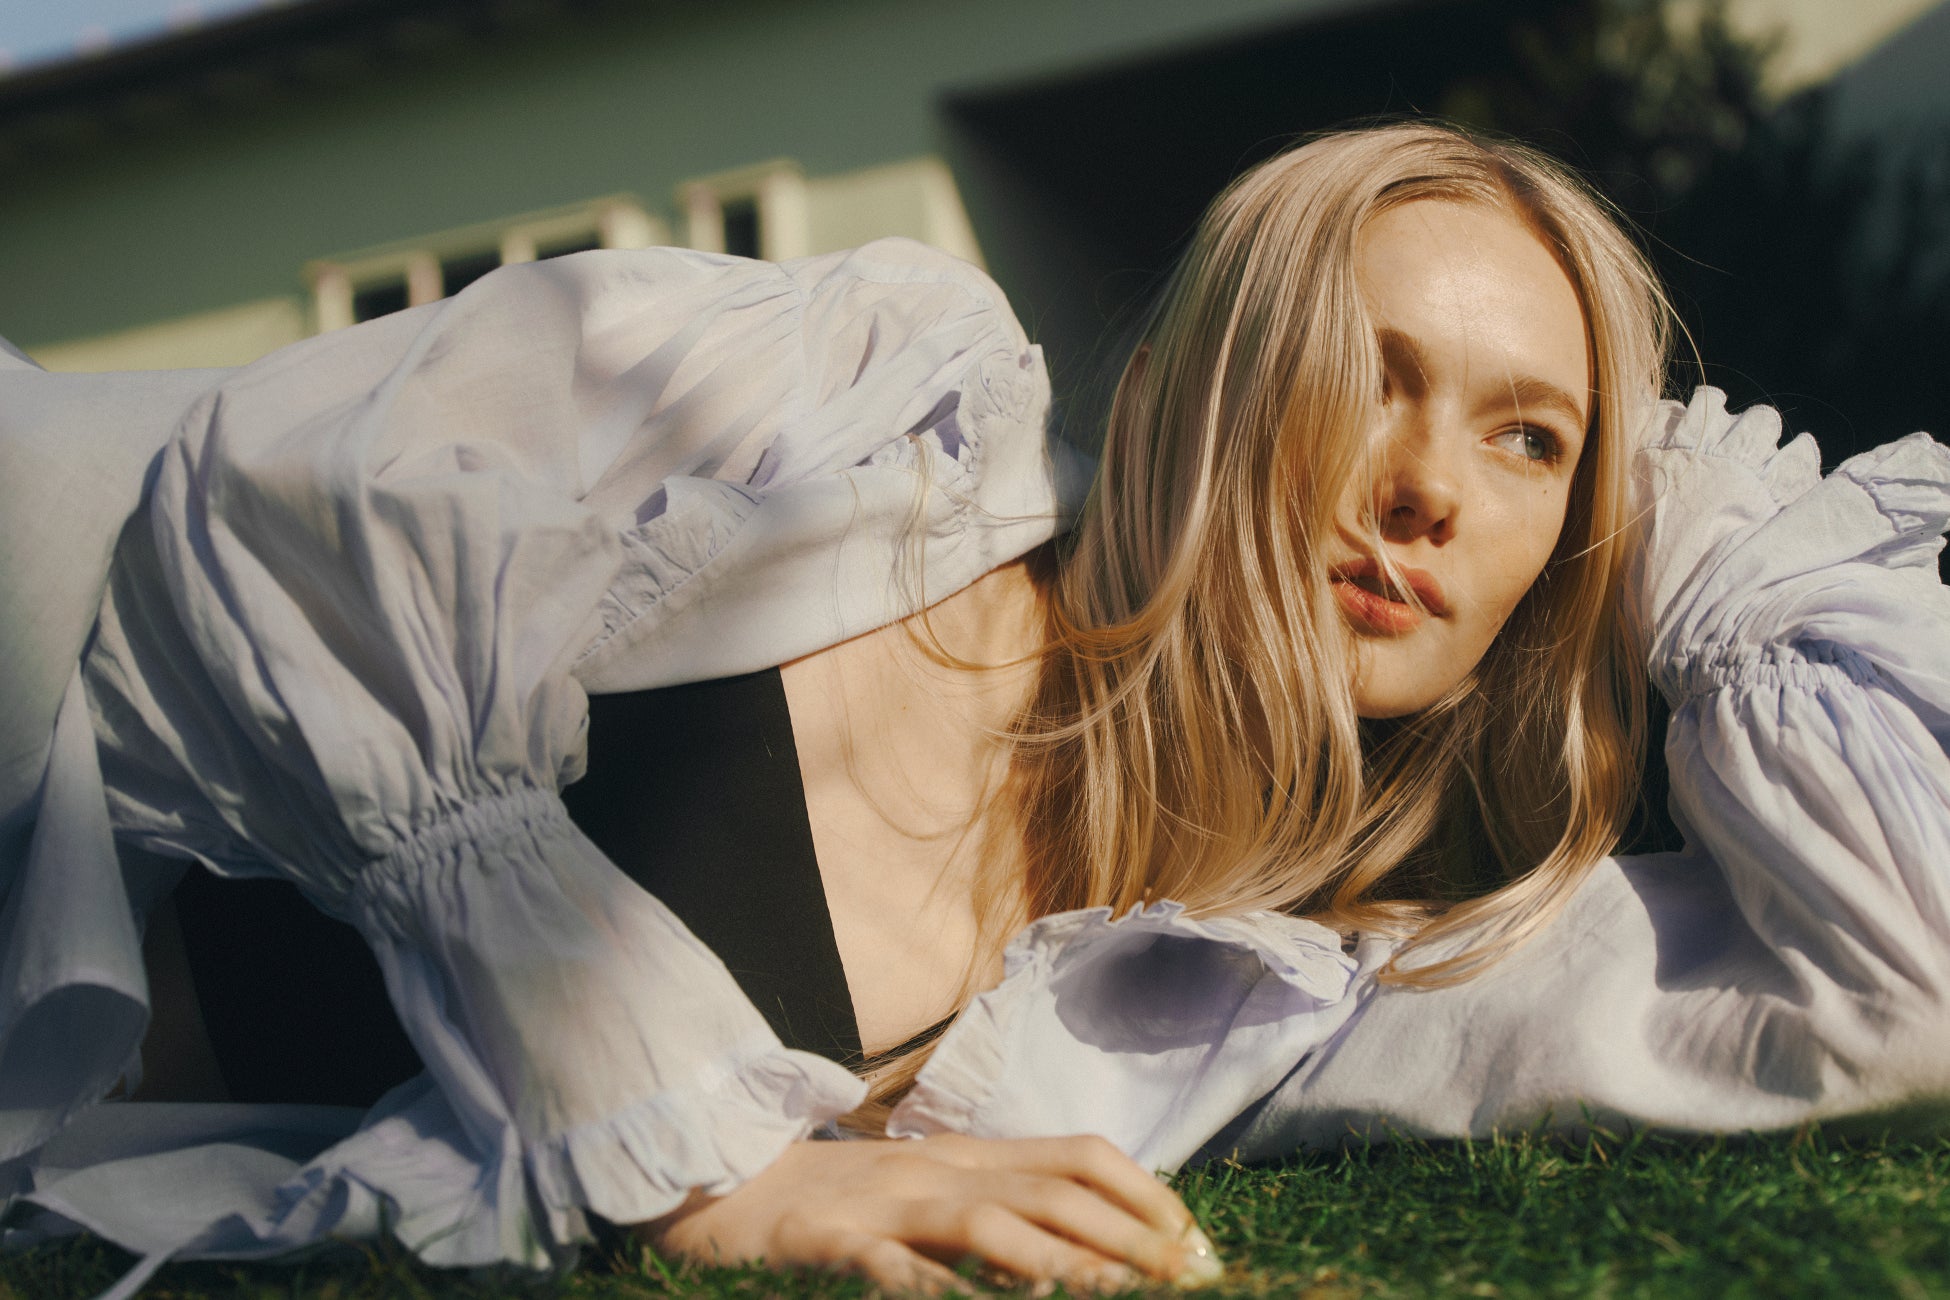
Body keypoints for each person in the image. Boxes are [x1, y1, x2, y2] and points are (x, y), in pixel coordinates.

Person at [0, 121, 1945, 1299]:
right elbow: (280, 534)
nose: (1433, 484)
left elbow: (1904, 975)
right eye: (1365, 368)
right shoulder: (862, 420)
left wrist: (1699, 540)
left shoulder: (1279, 987)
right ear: (1195, 382)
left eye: (1531, 439)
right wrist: (706, 1158)